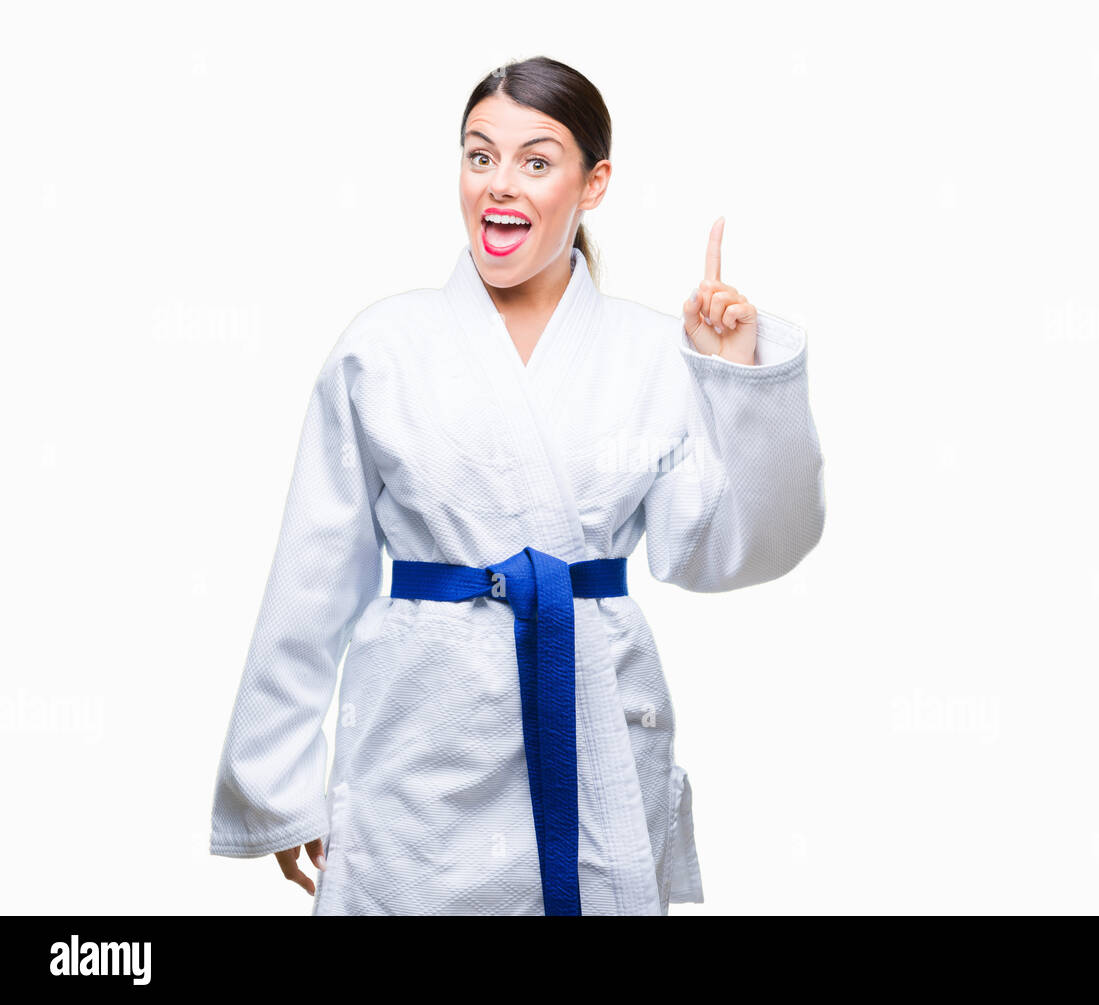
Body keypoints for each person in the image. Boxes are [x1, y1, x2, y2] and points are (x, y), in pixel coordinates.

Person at [208, 55, 826, 915]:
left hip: (594, 716)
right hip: (422, 736)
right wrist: (275, 777)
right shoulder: (383, 347)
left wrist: (735, 378)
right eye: (479, 155)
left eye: (537, 161)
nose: (500, 185)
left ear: (594, 182)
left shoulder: (653, 352)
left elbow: (726, 550)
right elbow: (316, 569)